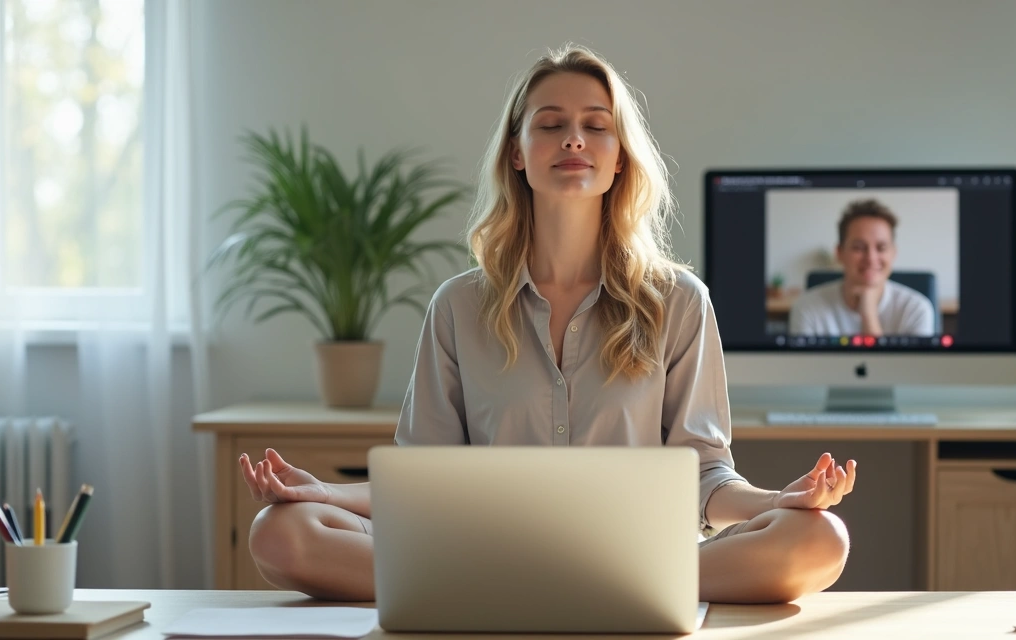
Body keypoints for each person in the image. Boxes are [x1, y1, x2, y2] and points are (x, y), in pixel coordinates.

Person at [240, 44, 855, 605]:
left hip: (637, 559)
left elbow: (703, 473)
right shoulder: (458, 306)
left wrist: (778, 502)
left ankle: (534, 593)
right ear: (517, 152)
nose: (574, 141)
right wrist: (323, 493)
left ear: (619, 159)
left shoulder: (679, 302)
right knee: (281, 531)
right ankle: (571, 591)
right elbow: (422, 483)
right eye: (551, 125)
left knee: (821, 538)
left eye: (596, 126)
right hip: (486, 554)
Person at [788, 198, 935, 337]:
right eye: (859, 248)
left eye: (881, 248)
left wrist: (869, 314)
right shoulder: (806, 308)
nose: (871, 258)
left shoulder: (917, 309)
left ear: (893, 253)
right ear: (839, 252)